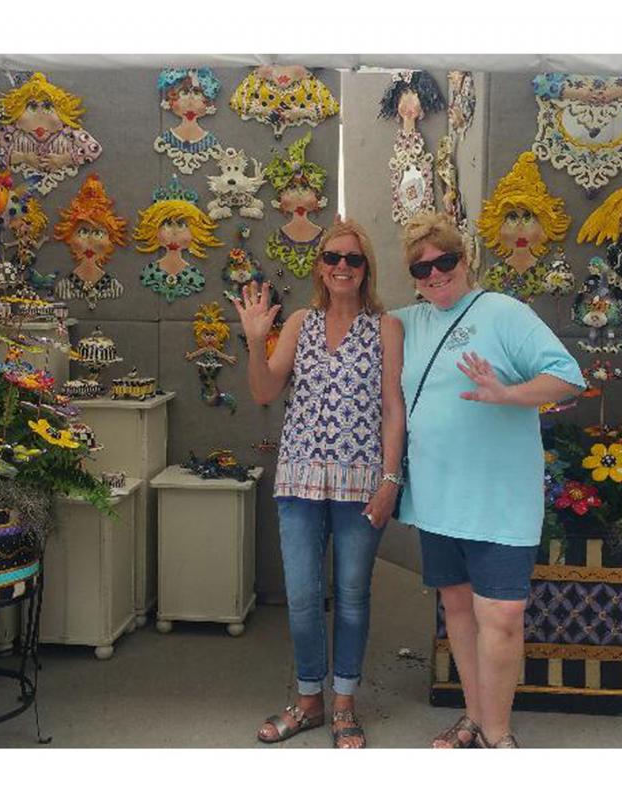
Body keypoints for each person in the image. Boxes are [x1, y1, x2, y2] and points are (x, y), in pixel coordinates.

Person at [392, 212, 584, 748]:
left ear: (466, 259)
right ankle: (474, 718)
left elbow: (568, 377)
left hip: (499, 500)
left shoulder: (504, 313)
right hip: (437, 497)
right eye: (421, 269)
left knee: (500, 615)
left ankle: (498, 735)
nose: (435, 274)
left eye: (445, 261)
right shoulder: (408, 322)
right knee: (457, 608)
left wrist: (508, 394)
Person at [233, 217, 405, 749]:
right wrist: (255, 343)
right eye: (332, 258)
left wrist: (390, 479)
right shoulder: (300, 322)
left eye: (353, 259)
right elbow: (264, 391)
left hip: (361, 483)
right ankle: (309, 700)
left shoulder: (386, 328)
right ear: (320, 267)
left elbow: (392, 409)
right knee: (304, 596)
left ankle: (345, 703)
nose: (342, 267)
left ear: (366, 268)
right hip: (299, 480)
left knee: (352, 595)